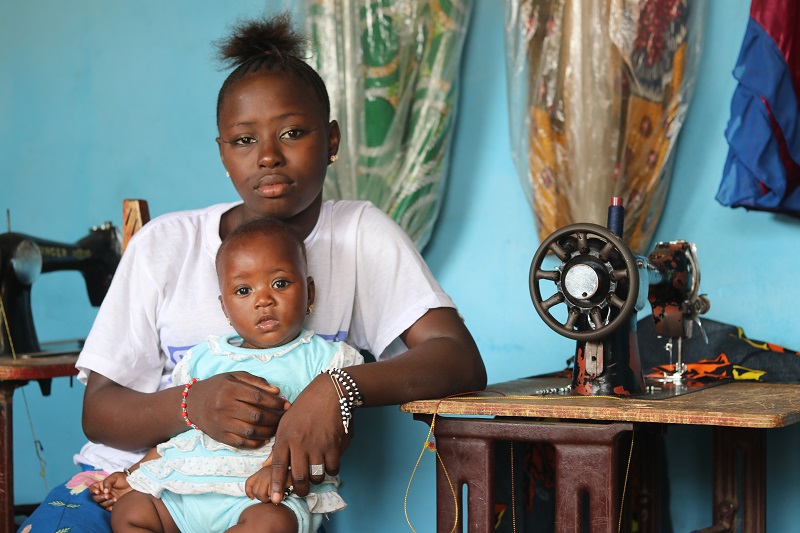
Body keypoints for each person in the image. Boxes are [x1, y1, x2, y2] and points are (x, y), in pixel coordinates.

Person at [18, 11, 485, 532]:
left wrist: (338, 388)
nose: (267, 156)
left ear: (331, 141)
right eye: (243, 140)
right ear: (223, 153)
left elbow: (458, 359)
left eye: (291, 132)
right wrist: (194, 404)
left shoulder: (359, 235)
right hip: (129, 488)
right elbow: (99, 413)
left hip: (253, 502)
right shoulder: (166, 245)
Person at [90, 217, 362, 533]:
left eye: (280, 283)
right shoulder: (204, 359)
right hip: (184, 494)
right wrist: (136, 473)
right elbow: (181, 437)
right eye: (244, 290)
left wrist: (280, 473)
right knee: (131, 511)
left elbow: (337, 433)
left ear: (310, 293)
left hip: (263, 496)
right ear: (225, 309)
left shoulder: (324, 358)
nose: (264, 300)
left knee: (270, 525)